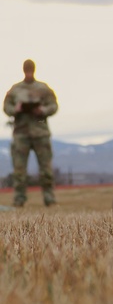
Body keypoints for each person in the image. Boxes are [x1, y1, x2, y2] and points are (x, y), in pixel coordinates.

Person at [3, 59, 59, 207]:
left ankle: (50, 199)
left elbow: (54, 106)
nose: (29, 72)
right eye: (26, 69)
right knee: (19, 170)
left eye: (30, 69)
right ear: (23, 70)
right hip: (21, 134)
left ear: (34, 70)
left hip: (40, 133)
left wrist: (43, 110)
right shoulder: (15, 90)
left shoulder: (43, 89)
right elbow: (6, 107)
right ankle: (19, 200)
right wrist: (16, 109)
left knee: (46, 169)